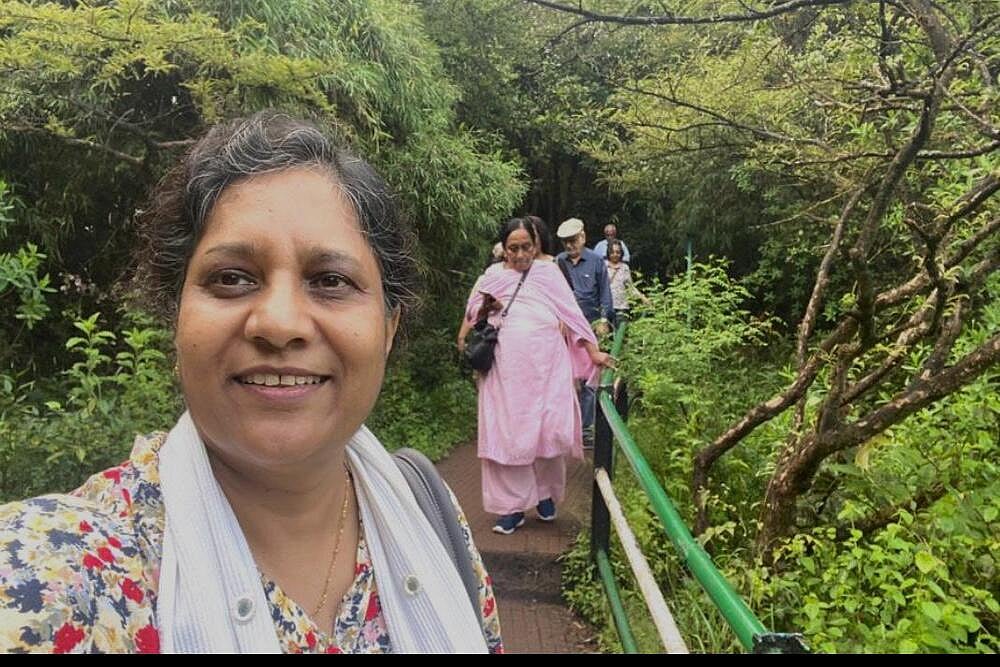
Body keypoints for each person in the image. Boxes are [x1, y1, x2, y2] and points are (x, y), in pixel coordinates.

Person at [0, 112, 501, 653]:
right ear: (177, 318)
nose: (279, 323)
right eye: (232, 278)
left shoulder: (430, 517)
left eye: (330, 281)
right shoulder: (52, 574)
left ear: (388, 327)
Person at [458, 218, 612, 535]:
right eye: (513, 248)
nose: (519, 254)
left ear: (535, 245)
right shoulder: (492, 275)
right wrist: (489, 306)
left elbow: (572, 313)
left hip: (547, 366)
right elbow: (472, 313)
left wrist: (592, 351)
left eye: (525, 246)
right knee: (508, 434)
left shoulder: (548, 273)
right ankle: (511, 509)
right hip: (505, 370)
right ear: (504, 248)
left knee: (547, 431)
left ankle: (544, 497)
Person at [555, 218, 614, 446]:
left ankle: (586, 429)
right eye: (566, 242)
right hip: (562, 330)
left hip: (588, 327)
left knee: (589, 377)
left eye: (573, 241)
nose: (570, 246)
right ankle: (566, 427)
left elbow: (604, 293)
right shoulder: (558, 263)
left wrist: (603, 318)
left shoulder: (597, 261)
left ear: (583, 237)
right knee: (564, 378)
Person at [605, 239, 649, 323]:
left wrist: (642, 298)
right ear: (608, 253)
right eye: (612, 252)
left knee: (620, 333)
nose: (615, 254)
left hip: (622, 307)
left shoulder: (625, 268)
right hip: (606, 307)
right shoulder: (603, 266)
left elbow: (630, 288)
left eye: (617, 252)